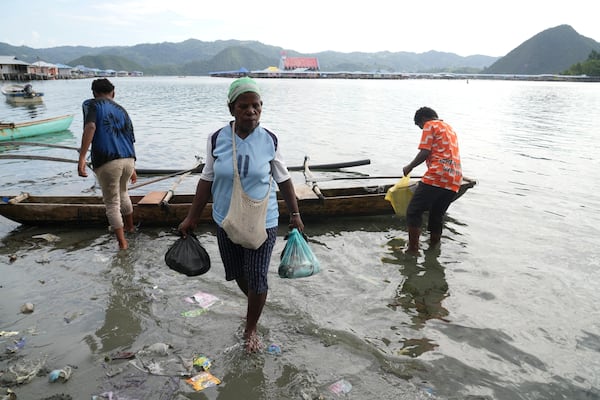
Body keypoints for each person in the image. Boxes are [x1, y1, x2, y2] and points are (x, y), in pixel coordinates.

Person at [178, 77, 304, 353]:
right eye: (244, 106)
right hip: (226, 219)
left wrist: (294, 213)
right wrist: (191, 217)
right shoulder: (217, 139)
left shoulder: (269, 139)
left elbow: (283, 179)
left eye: (256, 105)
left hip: (263, 219)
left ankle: (251, 328)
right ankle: (256, 304)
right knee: (238, 274)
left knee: (258, 276)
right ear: (231, 108)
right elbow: (206, 180)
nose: (251, 111)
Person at [78, 78, 137, 250]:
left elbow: (90, 127)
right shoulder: (122, 110)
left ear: (94, 93)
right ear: (113, 93)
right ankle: (130, 228)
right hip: (128, 159)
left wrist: (82, 158)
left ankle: (122, 244)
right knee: (123, 193)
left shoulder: (92, 105)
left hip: (108, 160)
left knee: (111, 202)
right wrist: (133, 167)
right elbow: (130, 137)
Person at [402, 107, 462, 253]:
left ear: (423, 119)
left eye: (419, 126)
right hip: (455, 178)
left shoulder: (430, 125)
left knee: (413, 211)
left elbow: (425, 152)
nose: (422, 129)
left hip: (438, 175)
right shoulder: (449, 128)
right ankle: (433, 248)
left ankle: (412, 250)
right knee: (436, 215)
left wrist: (409, 167)